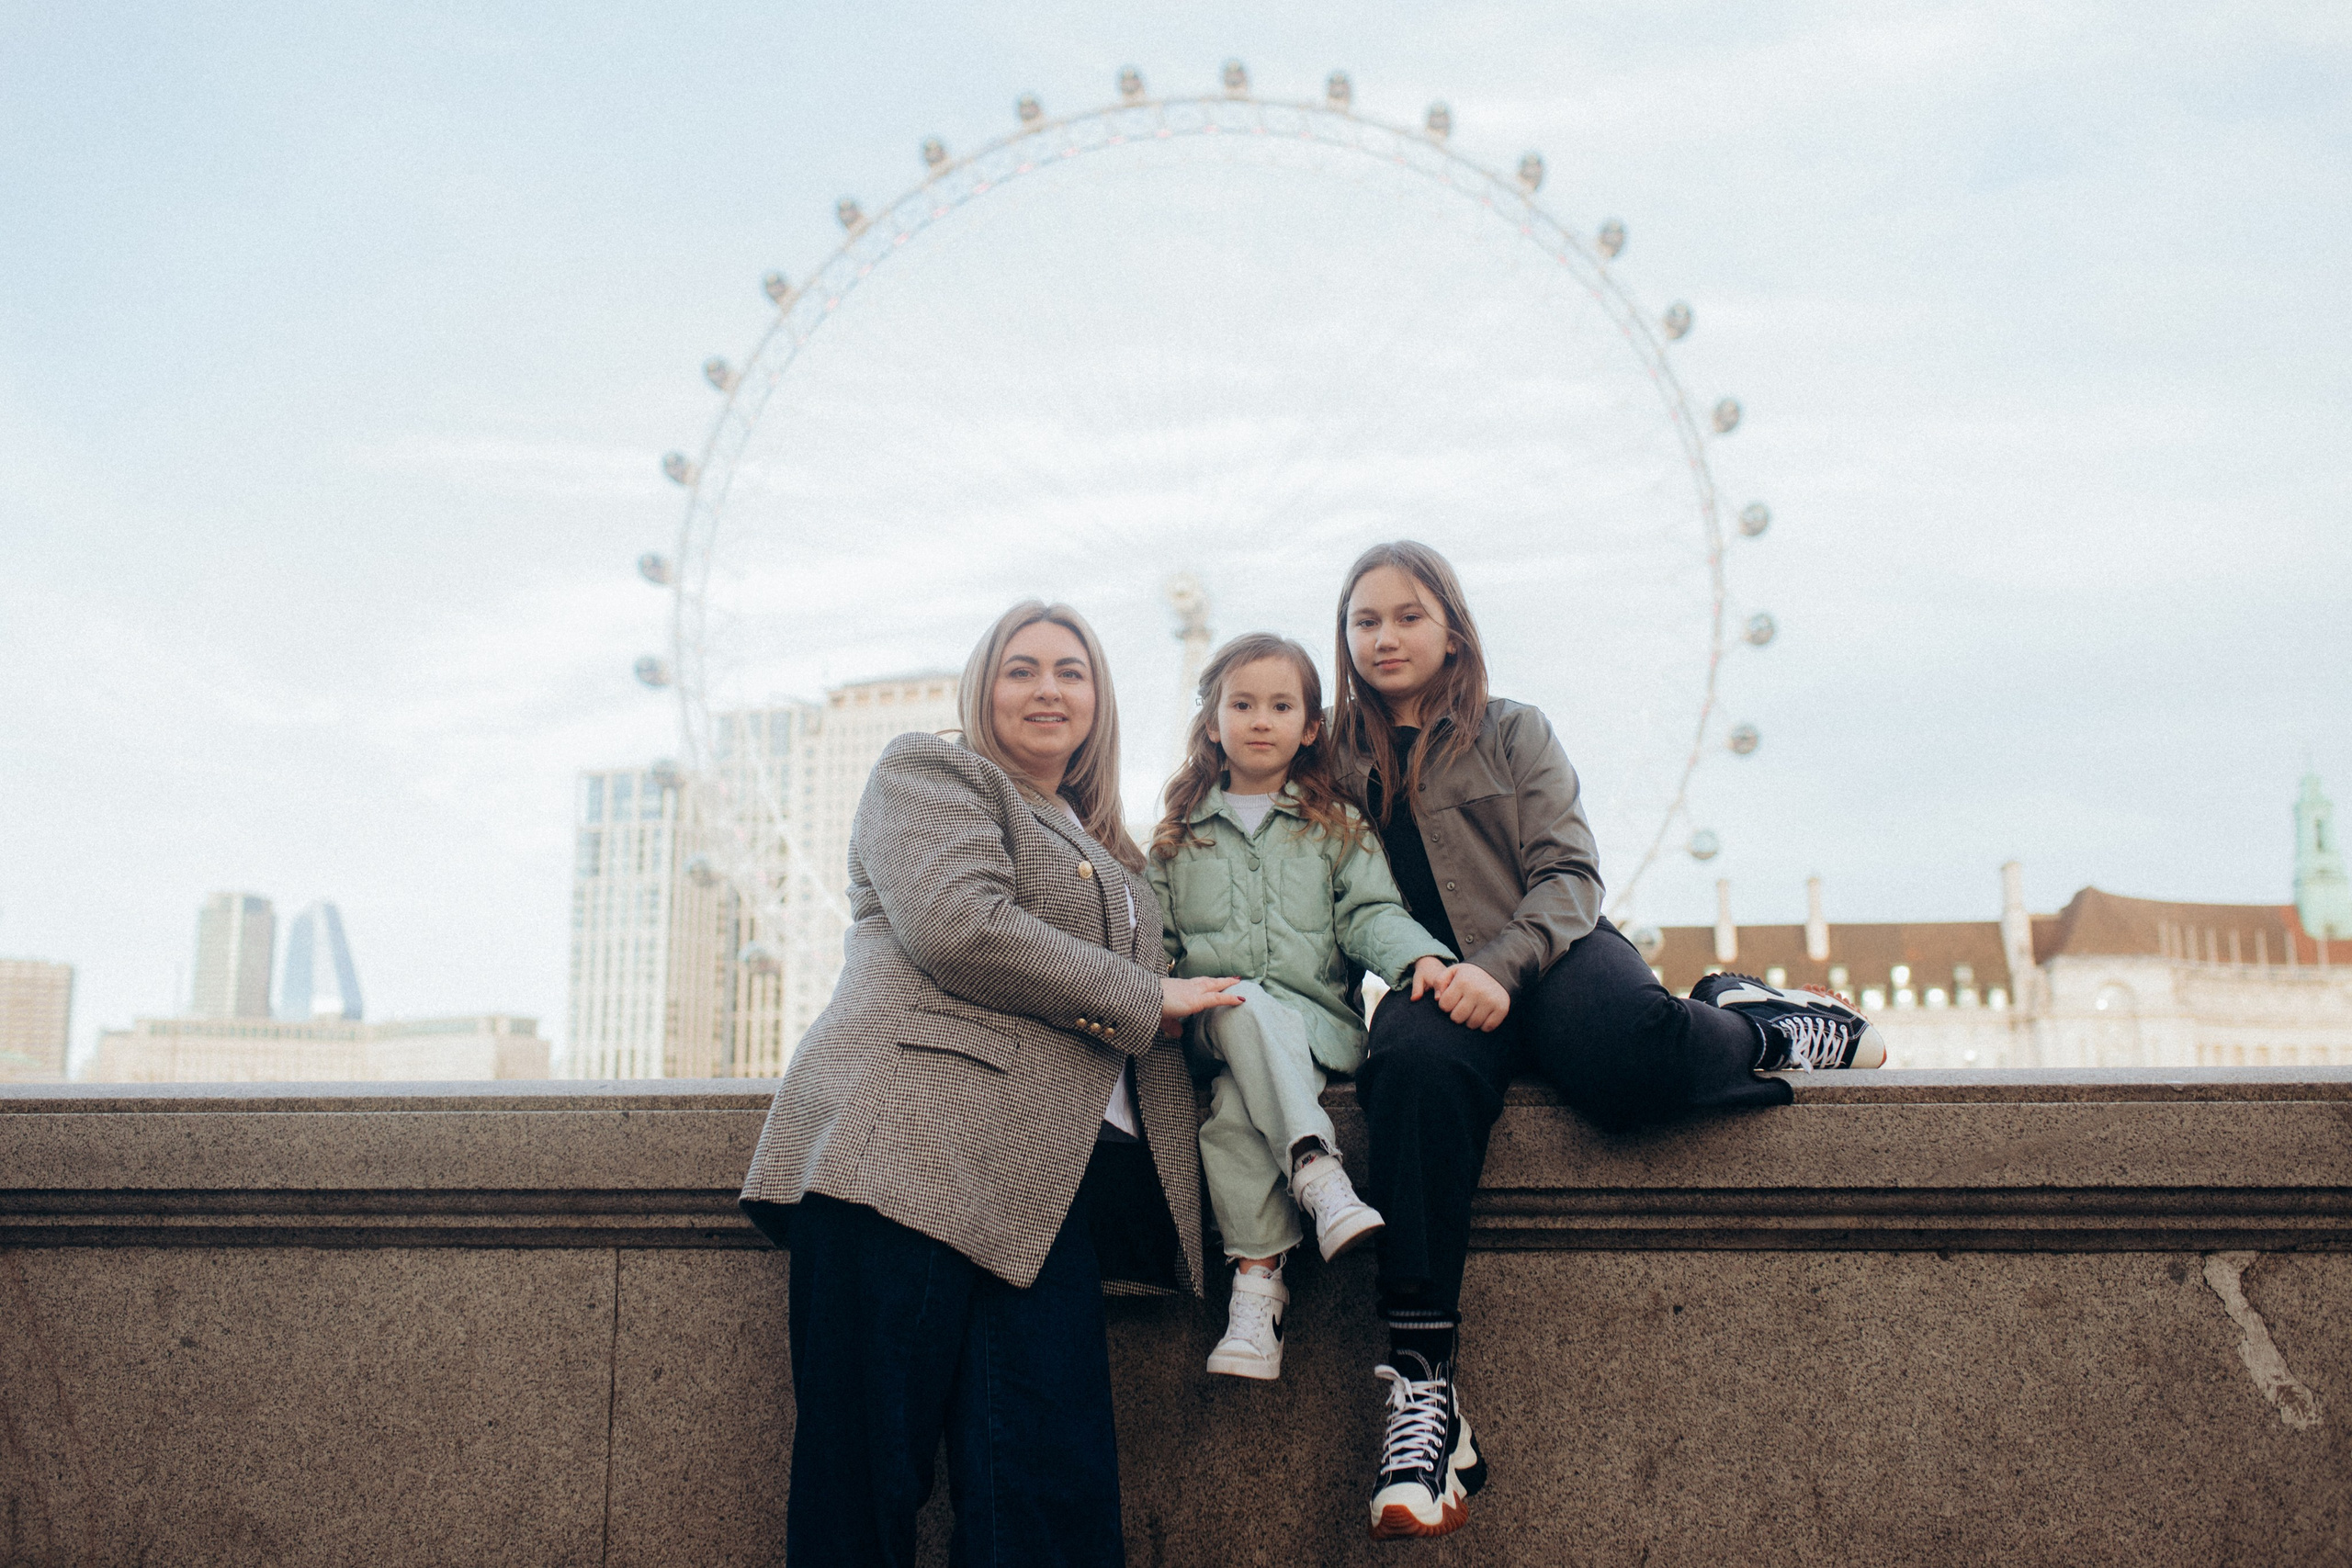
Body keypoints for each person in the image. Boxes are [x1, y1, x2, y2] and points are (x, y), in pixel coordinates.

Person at [1330, 541, 1888, 1540]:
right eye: (1364, 620)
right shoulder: (1329, 761)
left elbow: (1570, 874)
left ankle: (1762, 1026)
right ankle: (1421, 1393)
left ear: (1452, 627)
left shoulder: (1512, 732)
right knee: (1407, 1073)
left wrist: (1497, 968)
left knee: (1622, 1059)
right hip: (1428, 981)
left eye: (1407, 615)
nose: (1384, 636)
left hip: (1550, 953)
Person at [737, 600, 1245, 1568]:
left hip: (1035, 1198)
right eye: (1021, 669)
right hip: (902, 1163)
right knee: (864, 1487)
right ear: (982, 689)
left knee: (1052, 1505)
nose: (1047, 688)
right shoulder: (929, 773)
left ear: (1098, 701)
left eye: (1071, 671)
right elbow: (957, 925)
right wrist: (1149, 996)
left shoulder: (1114, 854)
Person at [1144, 632, 1455, 1382]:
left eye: (1281, 705)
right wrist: (1150, 992)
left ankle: (1258, 1292)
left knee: (1229, 1112)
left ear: (1310, 725)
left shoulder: (1335, 826)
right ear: (1213, 722)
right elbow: (1151, 940)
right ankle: (1317, 1173)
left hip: (1315, 1029)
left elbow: (1369, 912)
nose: (1260, 719)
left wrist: (1421, 958)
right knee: (1239, 1012)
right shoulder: (1176, 839)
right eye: (1242, 704)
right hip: (1214, 1019)